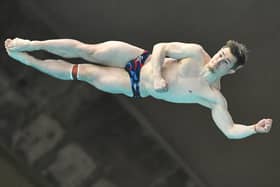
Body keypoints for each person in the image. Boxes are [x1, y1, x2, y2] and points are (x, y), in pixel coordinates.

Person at [4, 38, 272, 140]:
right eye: (220, 54)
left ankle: (27, 60)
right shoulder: (194, 53)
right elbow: (160, 48)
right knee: (88, 50)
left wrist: (253, 129)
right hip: (139, 59)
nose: (217, 60)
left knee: (84, 73)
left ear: (232, 70)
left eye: (225, 62)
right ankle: (30, 44)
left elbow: (228, 129)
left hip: (134, 86)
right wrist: (156, 74)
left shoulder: (213, 97)